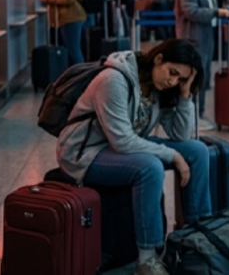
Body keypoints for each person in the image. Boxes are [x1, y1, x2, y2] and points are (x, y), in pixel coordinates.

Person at [55, 40, 211, 275]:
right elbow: (122, 140)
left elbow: (179, 134)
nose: (173, 81)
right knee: (150, 167)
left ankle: (196, 235)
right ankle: (147, 259)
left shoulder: (161, 87)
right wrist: (173, 155)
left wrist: (185, 94)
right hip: (85, 152)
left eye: (180, 78)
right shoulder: (114, 80)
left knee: (197, 151)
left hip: (120, 147)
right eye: (172, 73)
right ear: (158, 59)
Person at [175, 0, 229, 125]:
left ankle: (198, 114)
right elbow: (190, 11)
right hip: (193, 36)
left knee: (203, 75)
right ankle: (189, 117)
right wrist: (216, 12)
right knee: (193, 77)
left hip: (206, 35)